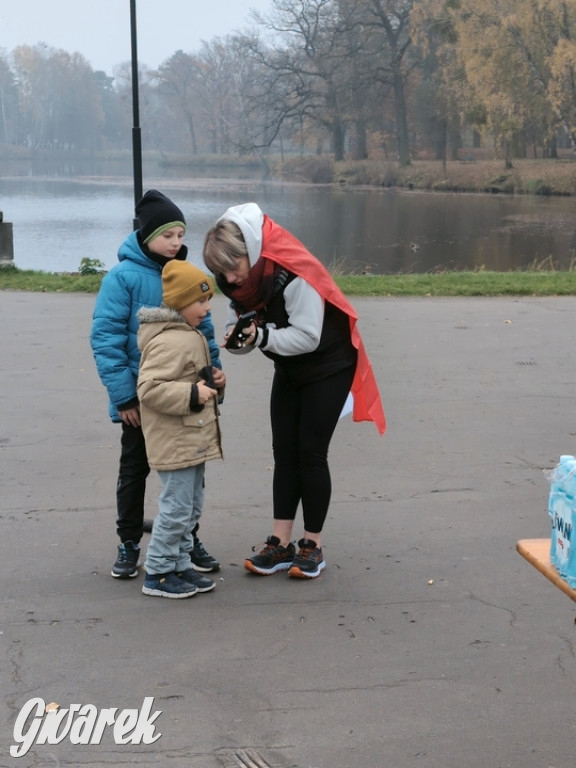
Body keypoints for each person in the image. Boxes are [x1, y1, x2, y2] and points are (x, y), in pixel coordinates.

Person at [203, 202, 386, 579]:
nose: (230, 280)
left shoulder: (292, 268)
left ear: (249, 255)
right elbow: (238, 334)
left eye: (232, 270)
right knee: (284, 451)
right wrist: (240, 340)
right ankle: (279, 543)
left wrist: (262, 335)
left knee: (311, 453)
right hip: (289, 365)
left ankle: (312, 547)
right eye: (220, 273)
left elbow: (307, 335)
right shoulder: (238, 280)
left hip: (330, 363)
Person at [90, 189, 224, 580]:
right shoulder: (123, 277)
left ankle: (186, 539)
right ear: (146, 234)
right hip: (141, 398)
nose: (176, 243)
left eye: (181, 235)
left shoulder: (187, 275)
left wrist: (214, 376)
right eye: (168, 235)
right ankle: (129, 541)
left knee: (188, 469)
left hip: (186, 401)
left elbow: (206, 332)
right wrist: (125, 397)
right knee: (135, 468)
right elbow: (106, 340)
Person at [137, 260, 224, 598]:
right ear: (178, 302)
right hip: (175, 440)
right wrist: (192, 393)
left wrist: (214, 382)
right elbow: (149, 389)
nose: (206, 308)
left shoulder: (190, 335)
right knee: (175, 507)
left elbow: (194, 381)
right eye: (200, 301)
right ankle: (157, 572)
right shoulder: (167, 341)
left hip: (193, 436)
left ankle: (180, 562)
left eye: (208, 301)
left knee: (190, 507)